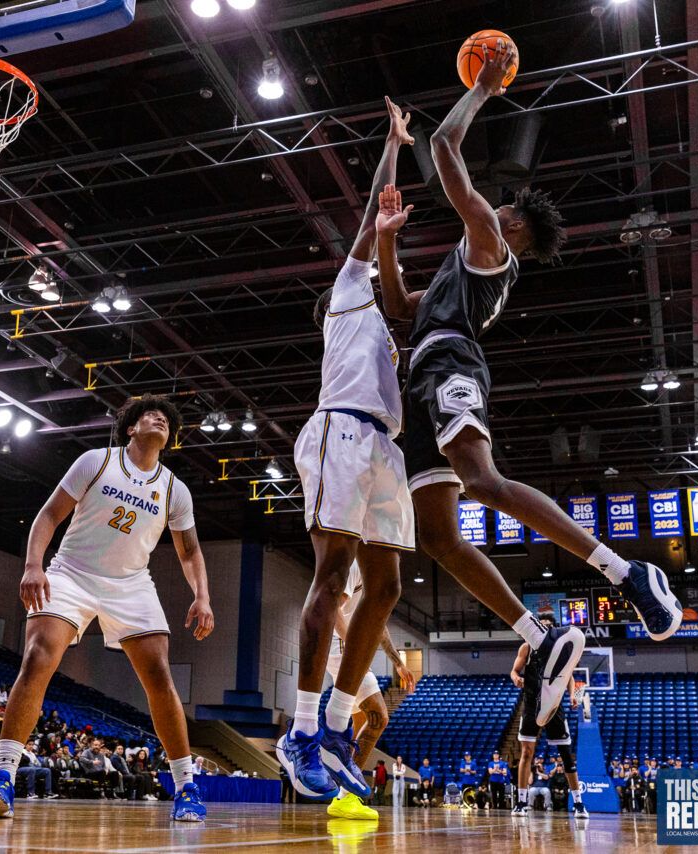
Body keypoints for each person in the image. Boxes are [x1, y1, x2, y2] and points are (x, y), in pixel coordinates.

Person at [386, 39, 682, 728]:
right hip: (425, 372)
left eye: (507, 205)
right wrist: (386, 235)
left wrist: (485, 90)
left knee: (483, 482)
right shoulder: (466, 264)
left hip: (452, 367)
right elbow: (402, 309)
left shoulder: (489, 241)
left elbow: (448, 152)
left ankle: (627, 572)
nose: (498, 203)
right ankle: (539, 638)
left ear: (513, 224)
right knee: (437, 537)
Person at [0, 395, 214, 822]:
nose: (159, 418)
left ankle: (187, 787)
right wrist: (34, 565)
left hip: (131, 583)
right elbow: (49, 516)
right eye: (149, 414)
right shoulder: (96, 461)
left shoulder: (174, 489)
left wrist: (202, 595)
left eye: (165, 418)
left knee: (160, 675)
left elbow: (190, 552)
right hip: (72, 573)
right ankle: (2, 777)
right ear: (130, 428)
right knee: (36, 658)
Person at [278, 96, 419, 804]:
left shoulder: (383, 316)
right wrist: (393, 145)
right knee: (332, 576)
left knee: (387, 587)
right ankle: (301, 729)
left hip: (384, 446)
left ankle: (335, 727)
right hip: (341, 428)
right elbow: (371, 216)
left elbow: (412, 299)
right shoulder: (345, 288)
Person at [325, 561, 416, 819]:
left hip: (345, 646)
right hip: (340, 646)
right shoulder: (355, 563)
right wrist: (354, 643)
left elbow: (379, 625)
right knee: (379, 716)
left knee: (363, 720)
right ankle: (346, 793)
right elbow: (334, 610)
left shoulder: (378, 573)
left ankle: (342, 790)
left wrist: (398, 663)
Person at [509, 620, 587, 818]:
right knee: (526, 753)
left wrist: (572, 694)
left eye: (546, 625)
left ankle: (579, 803)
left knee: (566, 754)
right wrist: (516, 677)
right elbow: (514, 670)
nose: (541, 627)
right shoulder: (526, 647)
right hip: (531, 704)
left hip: (554, 704)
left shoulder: (559, 648)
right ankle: (521, 802)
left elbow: (567, 674)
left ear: (552, 629)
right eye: (539, 624)